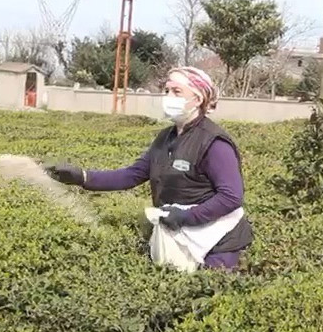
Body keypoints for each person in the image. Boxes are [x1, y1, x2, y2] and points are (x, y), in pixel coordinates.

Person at [45, 67, 254, 271]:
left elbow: (231, 197)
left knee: (208, 291)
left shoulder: (214, 143)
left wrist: (187, 217)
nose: (168, 96)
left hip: (217, 239)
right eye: (166, 91)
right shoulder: (165, 138)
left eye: (176, 91)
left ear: (198, 99)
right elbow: (132, 175)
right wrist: (82, 177)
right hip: (178, 230)